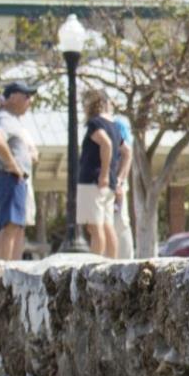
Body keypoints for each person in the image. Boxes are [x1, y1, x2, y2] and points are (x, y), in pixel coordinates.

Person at [0, 82, 39, 261]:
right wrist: (13, 166)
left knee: (16, 226)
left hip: (14, 179)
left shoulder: (12, 120)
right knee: (9, 227)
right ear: (12, 97)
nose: (29, 101)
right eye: (26, 96)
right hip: (9, 178)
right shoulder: (5, 118)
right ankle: (5, 271)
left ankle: (11, 268)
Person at [76, 88, 117, 257]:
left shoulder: (95, 124)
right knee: (107, 225)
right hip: (108, 184)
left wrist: (103, 173)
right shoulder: (114, 126)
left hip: (94, 180)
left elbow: (106, 144)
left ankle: (95, 263)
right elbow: (123, 149)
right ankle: (113, 263)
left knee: (95, 226)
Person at [110, 117, 134, 258]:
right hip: (111, 185)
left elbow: (127, 153)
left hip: (117, 186)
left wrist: (119, 181)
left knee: (120, 222)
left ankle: (125, 261)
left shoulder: (117, 125)